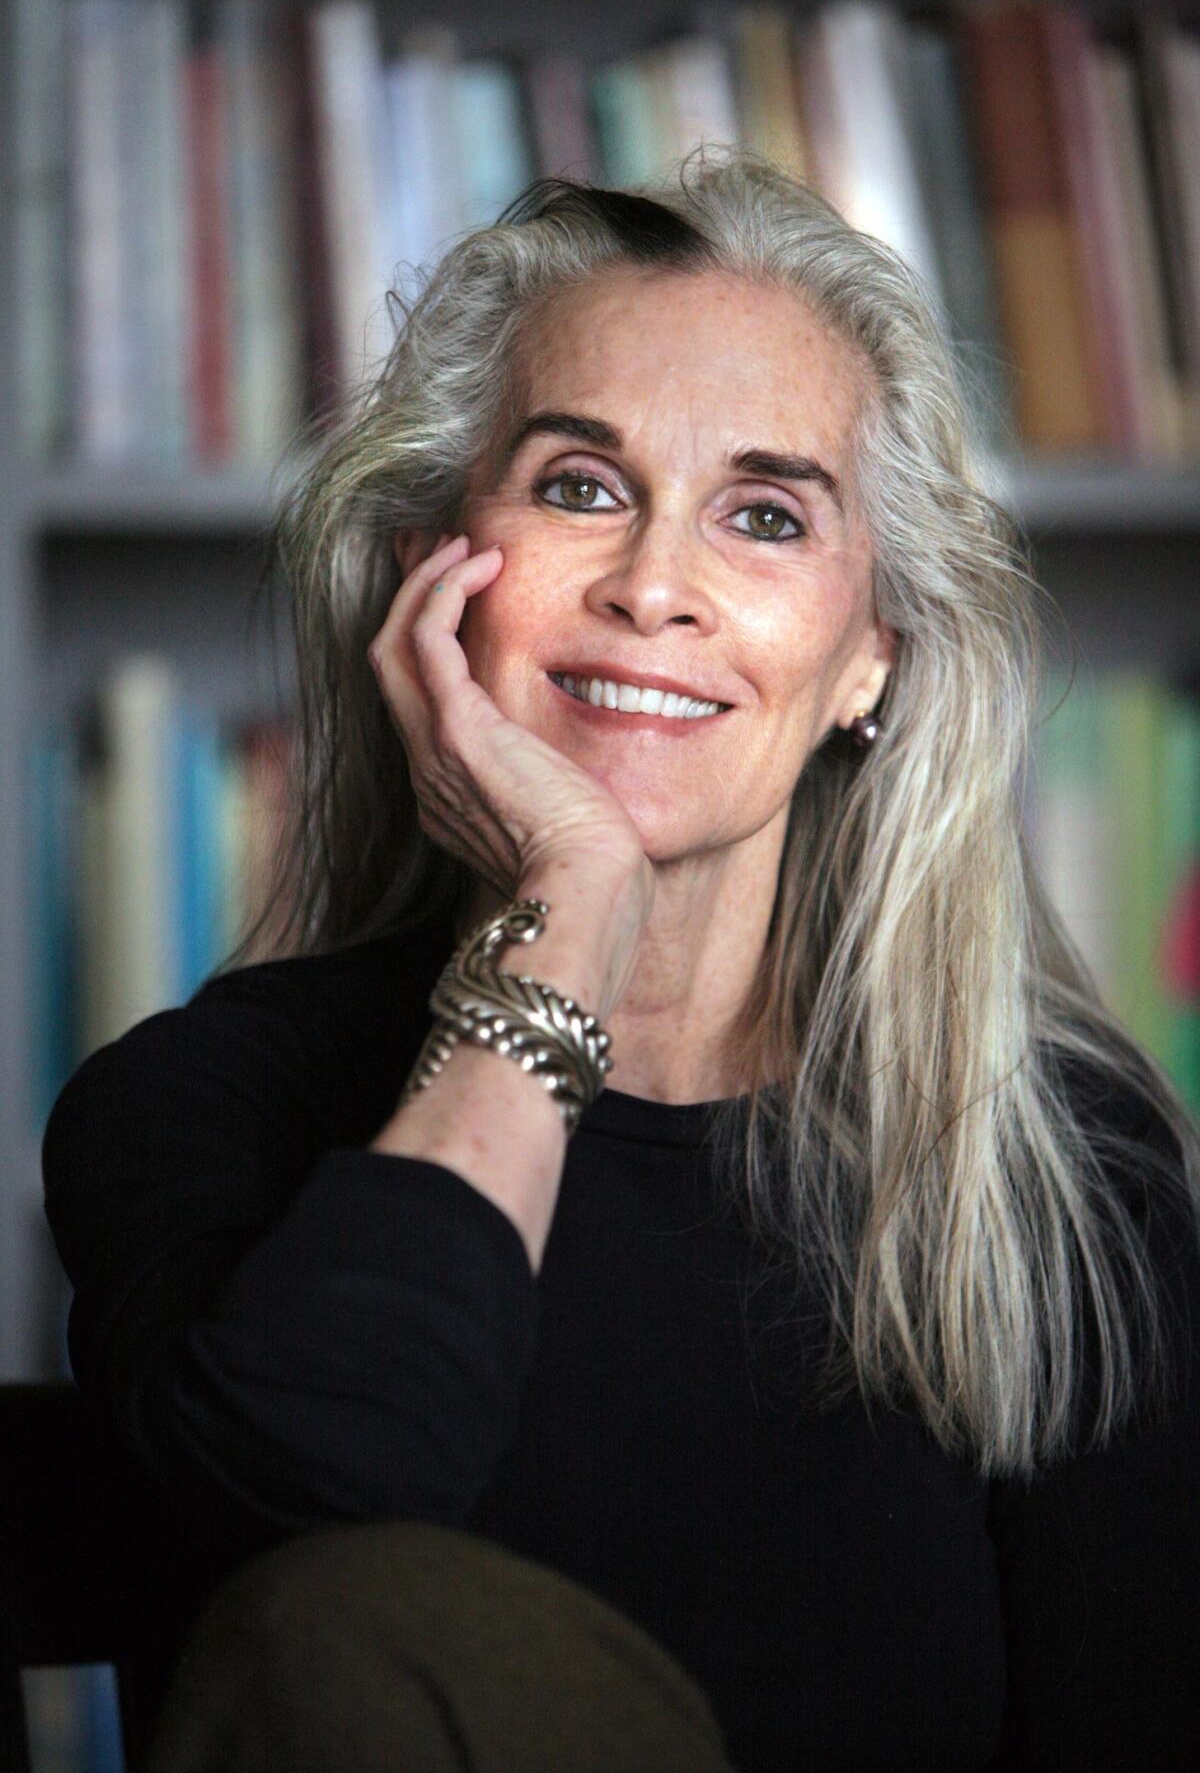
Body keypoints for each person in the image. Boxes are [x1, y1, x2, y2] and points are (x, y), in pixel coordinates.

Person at [42, 152, 1200, 1772]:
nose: (657, 586)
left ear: (873, 655)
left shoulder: (1061, 1167)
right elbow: (320, 1527)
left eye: (766, 516)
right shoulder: (206, 1103)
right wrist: (571, 904)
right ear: (435, 576)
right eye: (578, 488)